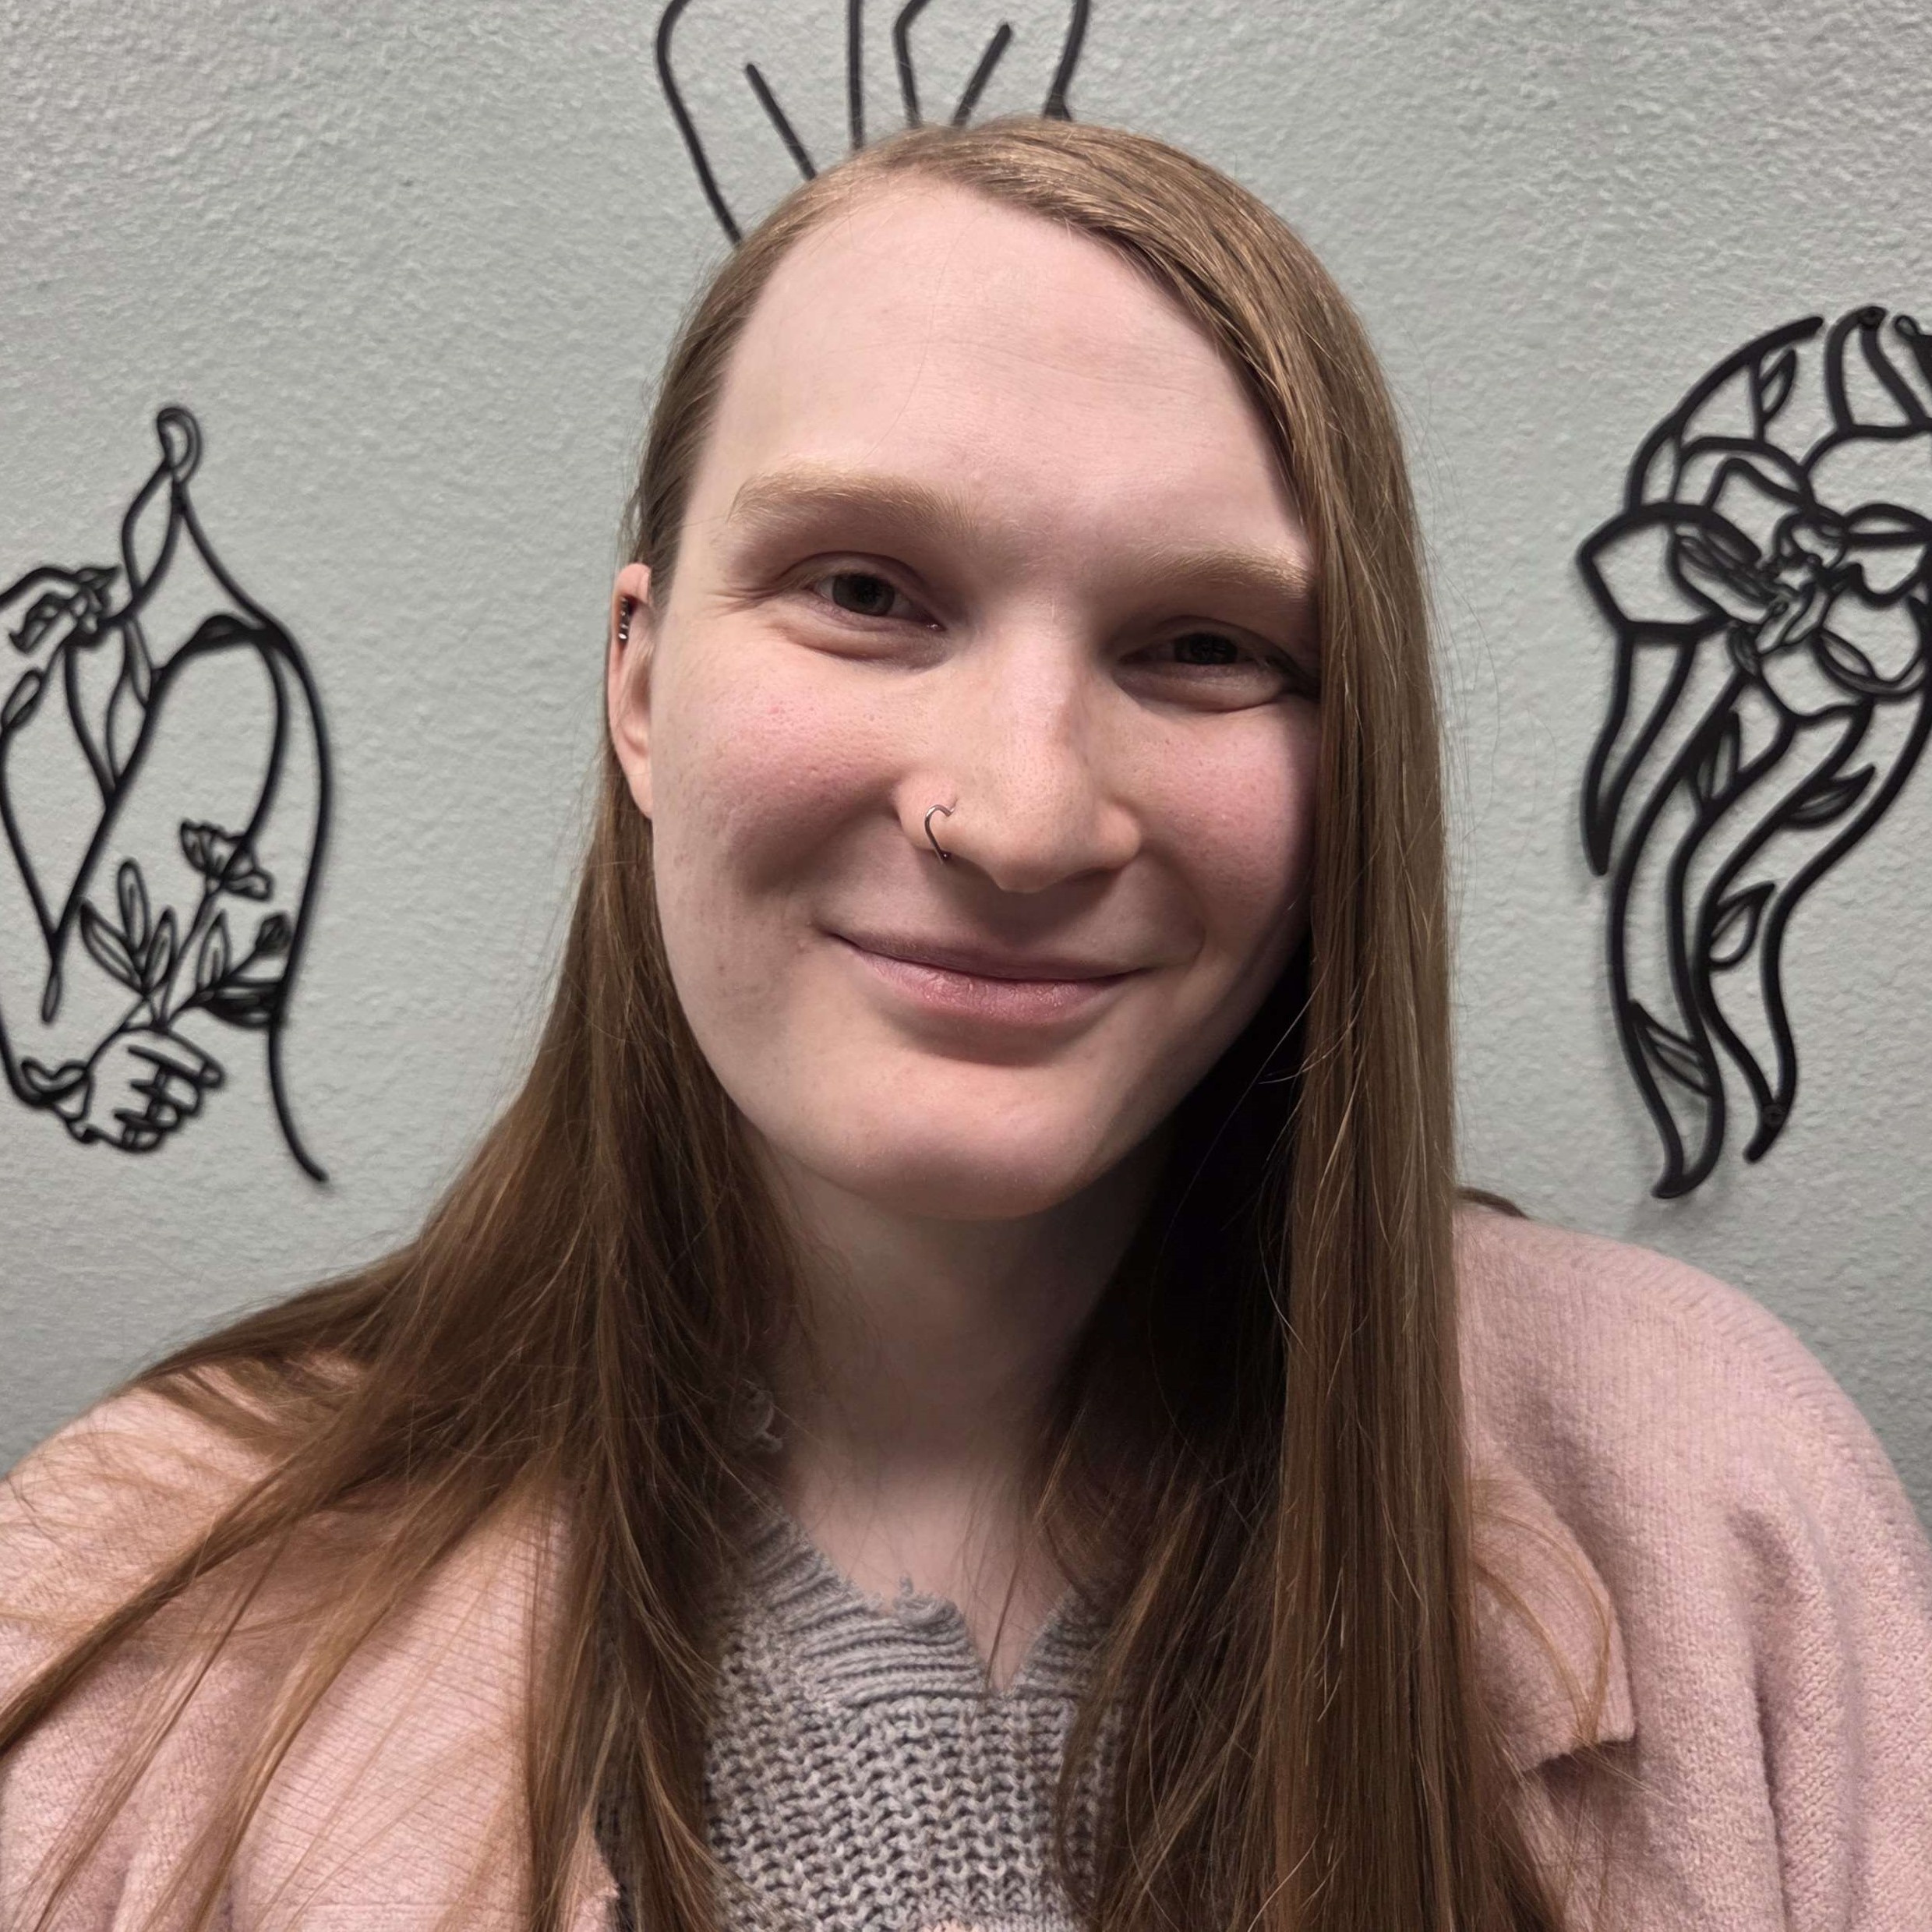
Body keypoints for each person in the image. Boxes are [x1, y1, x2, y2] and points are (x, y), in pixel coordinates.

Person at [2, 117, 1929, 1932]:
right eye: (865, 591)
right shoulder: (128, 1603)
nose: (1019, 817)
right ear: (641, 681)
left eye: (1204, 645)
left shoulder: (1717, 1507)